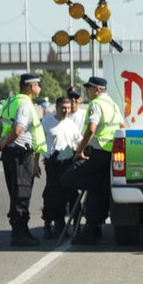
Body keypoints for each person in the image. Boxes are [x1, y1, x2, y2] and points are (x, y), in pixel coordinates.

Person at [62, 76, 126, 245]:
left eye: (89, 88)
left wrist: (79, 150)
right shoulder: (112, 104)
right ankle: (93, 228)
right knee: (99, 190)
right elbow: (122, 127)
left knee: (68, 178)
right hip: (111, 155)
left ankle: (91, 228)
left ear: (97, 90)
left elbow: (91, 129)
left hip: (99, 154)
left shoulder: (96, 104)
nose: (87, 91)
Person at [0, 72, 47, 246]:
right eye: (38, 84)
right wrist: (0, 146)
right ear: (31, 87)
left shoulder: (11, 102)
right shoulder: (24, 104)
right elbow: (17, 130)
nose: (40, 87)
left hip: (12, 154)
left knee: (17, 194)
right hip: (20, 156)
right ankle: (19, 234)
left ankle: (22, 231)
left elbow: (1, 126)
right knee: (21, 195)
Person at [40, 97, 82, 239]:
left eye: (68, 108)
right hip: (53, 165)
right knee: (52, 196)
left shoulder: (70, 124)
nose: (66, 111)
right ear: (57, 107)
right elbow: (38, 143)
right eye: (63, 108)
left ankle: (75, 228)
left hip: (68, 164)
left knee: (72, 196)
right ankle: (49, 225)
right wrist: (35, 164)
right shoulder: (46, 122)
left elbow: (79, 141)